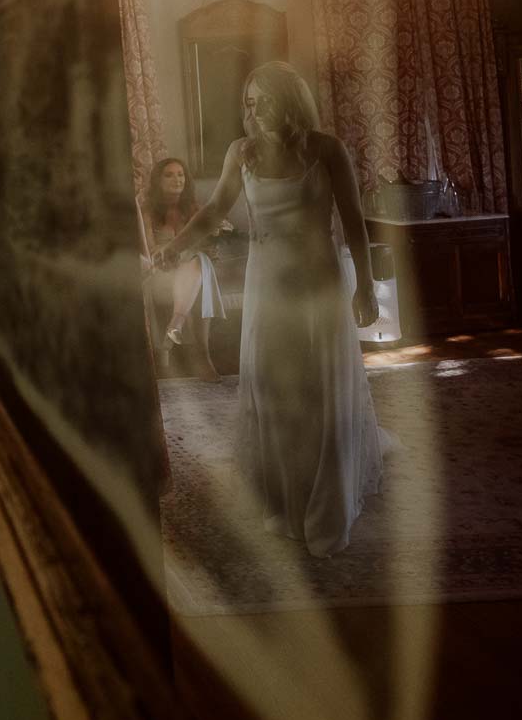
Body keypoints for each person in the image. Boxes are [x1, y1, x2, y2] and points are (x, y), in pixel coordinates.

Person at [156, 61, 388, 558]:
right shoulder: (242, 153)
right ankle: (284, 501)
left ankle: (327, 505)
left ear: (288, 99)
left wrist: (364, 286)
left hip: (319, 284)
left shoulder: (327, 149)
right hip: (269, 287)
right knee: (271, 388)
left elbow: (353, 222)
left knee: (320, 390)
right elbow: (215, 210)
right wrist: (175, 247)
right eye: (249, 100)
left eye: (261, 98)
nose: (252, 108)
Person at [142, 156, 229, 381]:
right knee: (199, 270)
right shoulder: (148, 210)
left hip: (188, 271)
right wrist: (174, 253)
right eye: (169, 175)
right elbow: (150, 249)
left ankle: (175, 327)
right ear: (158, 180)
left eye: (180, 174)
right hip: (161, 271)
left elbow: (202, 244)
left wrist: (213, 242)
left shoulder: (193, 209)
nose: (176, 179)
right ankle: (202, 357)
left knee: (200, 262)